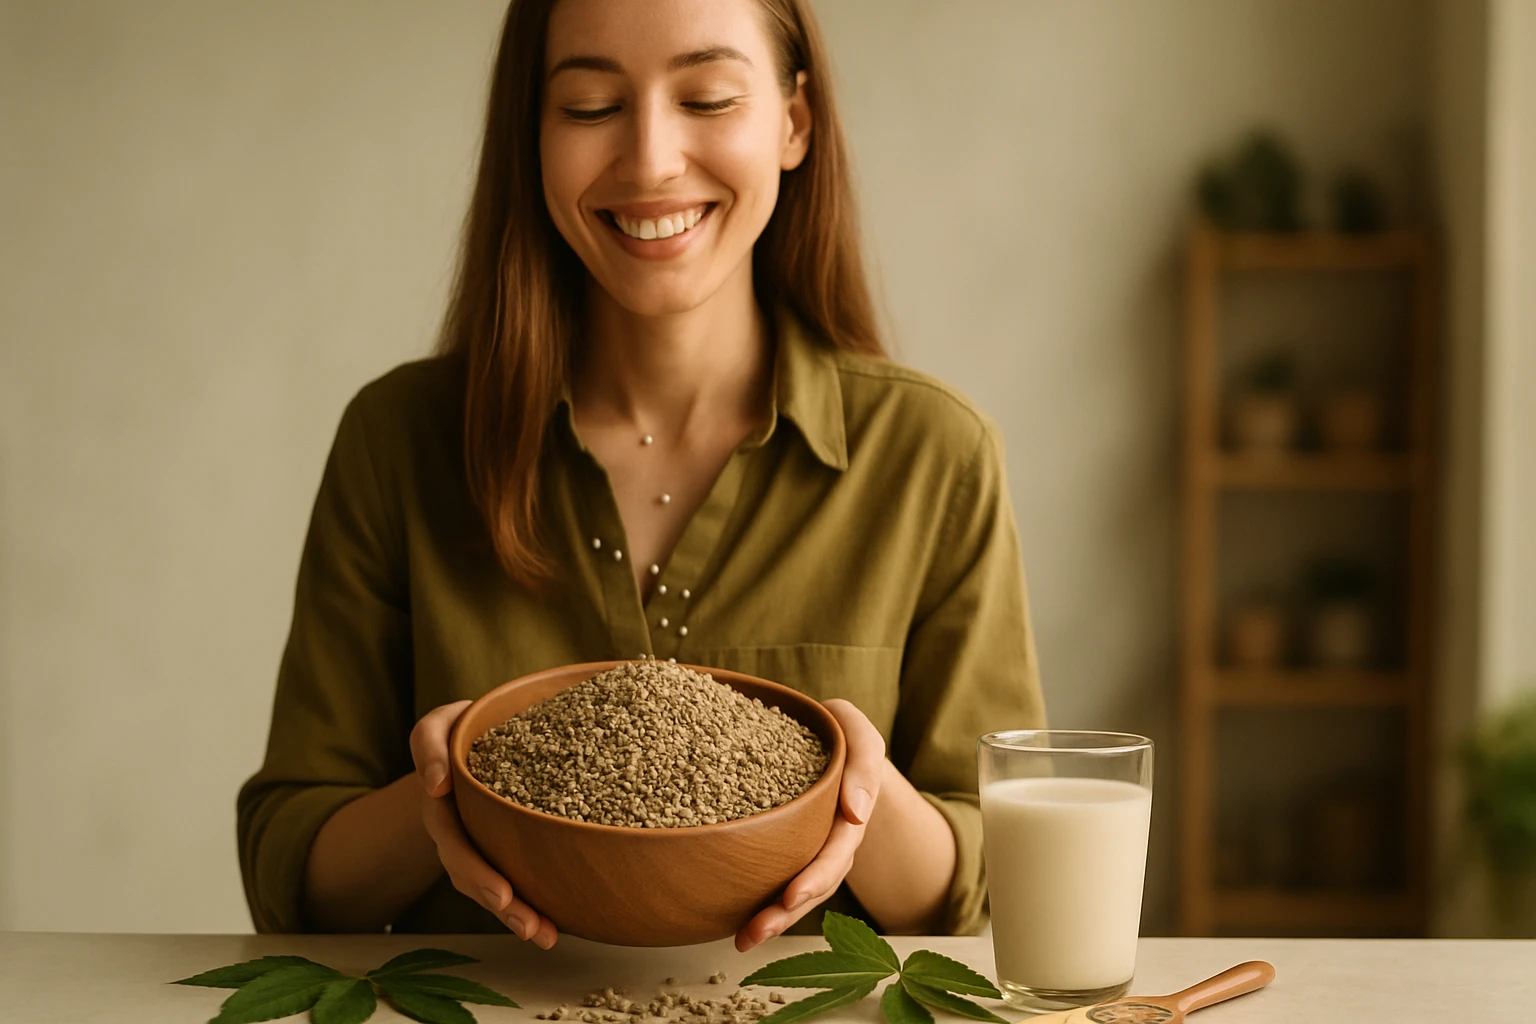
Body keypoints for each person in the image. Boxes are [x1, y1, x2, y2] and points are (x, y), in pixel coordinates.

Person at [237, 0, 1045, 951]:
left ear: (794, 122)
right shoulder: (398, 440)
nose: (652, 161)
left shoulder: (933, 455)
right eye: (590, 108)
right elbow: (292, 873)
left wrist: (857, 796)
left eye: (707, 98)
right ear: (531, 136)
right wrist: (443, 790)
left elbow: (987, 885)